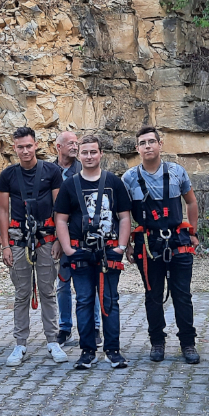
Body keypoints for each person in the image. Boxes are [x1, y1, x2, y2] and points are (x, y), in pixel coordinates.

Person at [123, 126, 200, 364]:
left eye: (151, 142)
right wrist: (126, 245)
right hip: (147, 244)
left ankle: (188, 343)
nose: (147, 146)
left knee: (182, 296)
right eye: (142, 143)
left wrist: (194, 232)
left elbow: (191, 202)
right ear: (137, 148)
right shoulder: (129, 179)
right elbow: (123, 214)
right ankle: (157, 342)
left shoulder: (177, 172)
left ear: (160, 144)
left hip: (178, 241)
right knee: (153, 296)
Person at [54, 134, 132, 370]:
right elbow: (61, 219)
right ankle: (87, 351)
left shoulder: (113, 182)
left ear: (101, 154)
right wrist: (67, 248)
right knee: (84, 300)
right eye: (84, 152)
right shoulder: (69, 184)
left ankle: (113, 350)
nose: (89, 156)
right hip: (80, 252)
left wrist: (121, 245)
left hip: (109, 251)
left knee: (109, 300)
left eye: (93, 152)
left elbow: (125, 216)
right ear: (79, 154)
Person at [0, 127, 67, 366]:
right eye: (20, 147)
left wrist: (59, 239)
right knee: (21, 293)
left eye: (29, 146)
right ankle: (20, 344)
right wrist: (5, 245)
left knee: (48, 291)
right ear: (14, 148)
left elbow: (60, 209)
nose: (25, 150)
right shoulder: (8, 175)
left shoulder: (52, 171)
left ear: (35, 145)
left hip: (46, 238)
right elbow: (3, 211)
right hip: (19, 238)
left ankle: (52, 340)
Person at [53, 131, 102, 348]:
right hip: (60, 236)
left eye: (77, 143)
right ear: (58, 147)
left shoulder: (83, 170)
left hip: (87, 236)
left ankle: (95, 326)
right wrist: (57, 239)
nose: (75, 147)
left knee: (91, 284)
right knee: (63, 285)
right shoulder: (49, 171)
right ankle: (64, 328)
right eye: (71, 143)